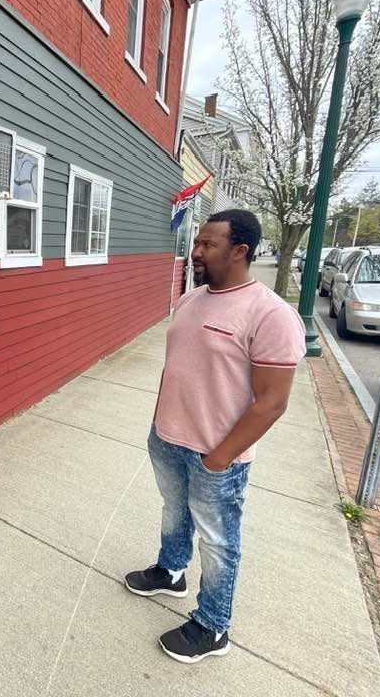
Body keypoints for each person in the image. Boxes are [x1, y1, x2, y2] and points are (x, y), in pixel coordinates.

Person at [125, 210, 305, 663]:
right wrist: (159, 423)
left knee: (219, 541)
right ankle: (171, 571)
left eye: (208, 244)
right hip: (167, 438)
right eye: (198, 242)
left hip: (217, 456)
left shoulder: (270, 314)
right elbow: (179, 367)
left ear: (240, 250)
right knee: (174, 512)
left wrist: (220, 458)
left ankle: (213, 626)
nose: (197, 251)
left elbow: (272, 401)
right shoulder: (191, 299)